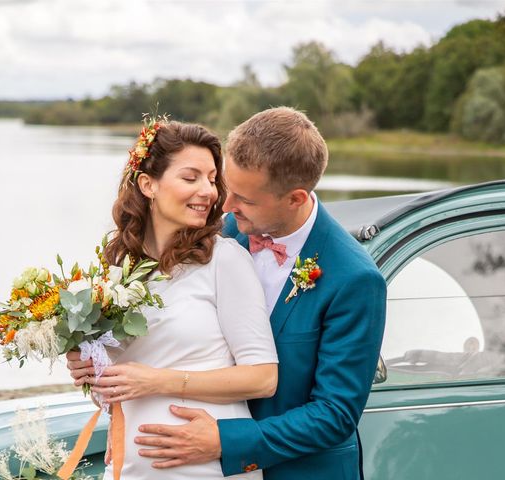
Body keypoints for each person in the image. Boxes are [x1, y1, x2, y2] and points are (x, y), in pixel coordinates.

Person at [131, 107, 387, 480]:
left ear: (296, 198)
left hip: (301, 472)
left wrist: (225, 440)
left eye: (244, 199)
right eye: (226, 186)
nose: (225, 205)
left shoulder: (355, 279)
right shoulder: (222, 234)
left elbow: (335, 414)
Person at [66, 119, 279, 480]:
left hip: (204, 469)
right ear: (148, 184)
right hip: (130, 468)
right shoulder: (115, 265)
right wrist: (90, 371)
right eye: (191, 177)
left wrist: (158, 381)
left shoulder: (223, 260)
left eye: (212, 179)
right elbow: (123, 381)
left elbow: (263, 378)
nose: (209, 192)